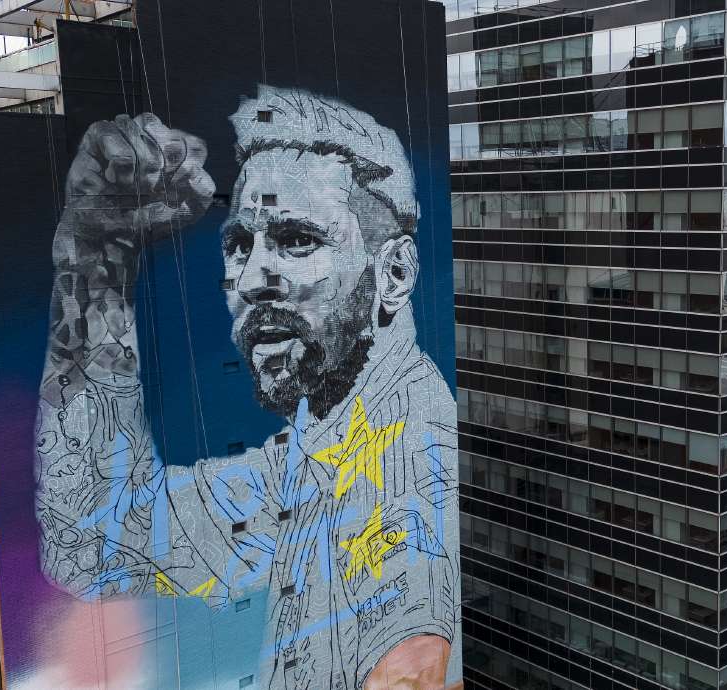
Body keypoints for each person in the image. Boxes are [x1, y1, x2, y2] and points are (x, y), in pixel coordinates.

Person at [34, 85, 459, 689]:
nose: (253, 278)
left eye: (297, 240)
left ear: (393, 275)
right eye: (240, 244)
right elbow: (92, 543)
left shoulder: (402, 449)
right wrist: (94, 256)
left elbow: (413, 664)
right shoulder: (311, 453)